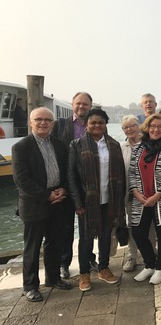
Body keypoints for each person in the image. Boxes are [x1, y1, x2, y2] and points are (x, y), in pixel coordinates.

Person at [12, 107, 72, 302]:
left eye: (47, 120)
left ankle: (53, 278)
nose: (43, 123)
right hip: (34, 203)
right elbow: (22, 180)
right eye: (39, 119)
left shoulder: (59, 145)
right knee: (32, 246)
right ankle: (30, 286)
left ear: (53, 124)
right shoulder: (21, 147)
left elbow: (65, 172)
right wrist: (47, 196)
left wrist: (63, 189)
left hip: (58, 200)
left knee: (55, 243)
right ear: (31, 122)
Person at [68, 108, 126, 292]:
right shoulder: (76, 145)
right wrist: (77, 203)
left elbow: (120, 176)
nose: (97, 125)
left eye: (100, 122)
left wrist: (120, 201)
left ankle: (103, 267)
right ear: (86, 124)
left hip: (109, 199)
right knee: (85, 239)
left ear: (105, 125)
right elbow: (71, 176)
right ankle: (84, 273)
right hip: (87, 201)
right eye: (93, 122)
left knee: (106, 235)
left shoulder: (113, 145)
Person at [129, 113, 161, 285]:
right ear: (147, 128)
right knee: (138, 232)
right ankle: (149, 264)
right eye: (153, 126)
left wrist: (157, 195)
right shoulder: (138, 149)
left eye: (159, 126)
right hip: (141, 199)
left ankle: (160, 268)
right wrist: (136, 192)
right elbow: (133, 173)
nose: (156, 129)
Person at [51, 91, 96, 280]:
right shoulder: (61, 125)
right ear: (72, 104)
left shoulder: (96, 125)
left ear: (90, 106)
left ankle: (89, 258)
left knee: (89, 225)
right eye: (78, 104)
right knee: (66, 226)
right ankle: (64, 263)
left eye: (85, 104)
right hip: (66, 184)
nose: (81, 107)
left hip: (89, 184)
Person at [120, 115, 156, 272]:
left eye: (132, 126)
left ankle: (152, 253)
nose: (129, 129)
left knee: (151, 226)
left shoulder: (149, 145)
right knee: (132, 226)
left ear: (139, 126)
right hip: (130, 194)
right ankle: (132, 255)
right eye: (125, 127)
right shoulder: (121, 148)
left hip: (149, 194)